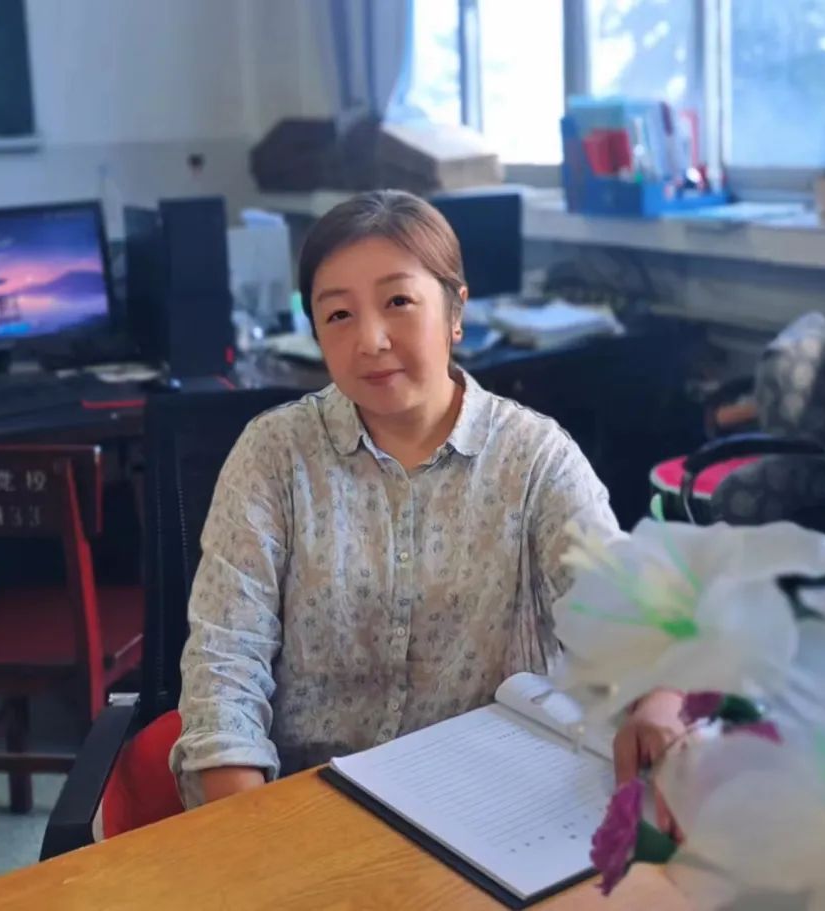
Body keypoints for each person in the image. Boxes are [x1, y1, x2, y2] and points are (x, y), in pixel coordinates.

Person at [171, 190, 638, 808]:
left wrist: (655, 694)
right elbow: (225, 659)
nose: (370, 340)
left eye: (397, 302)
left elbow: (621, 616)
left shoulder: (534, 458)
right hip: (307, 802)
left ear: (454, 310)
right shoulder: (274, 453)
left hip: (486, 806)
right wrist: (249, 828)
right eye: (339, 314)